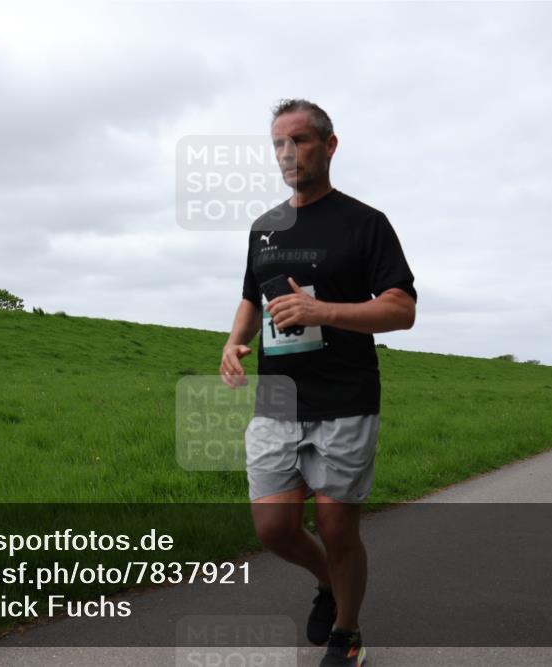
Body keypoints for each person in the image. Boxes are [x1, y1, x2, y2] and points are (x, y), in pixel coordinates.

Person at [220, 99, 416, 667]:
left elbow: (400, 310)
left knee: (335, 523)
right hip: (277, 398)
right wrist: (235, 342)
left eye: (300, 141)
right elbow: (252, 298)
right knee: (274, 527)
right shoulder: (265, 229)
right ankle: (332, 583)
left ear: (330, 146)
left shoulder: (365, 223)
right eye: (279, 143)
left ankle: (346, 633)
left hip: (346, 397)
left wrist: (322, 310)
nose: (288, 153)